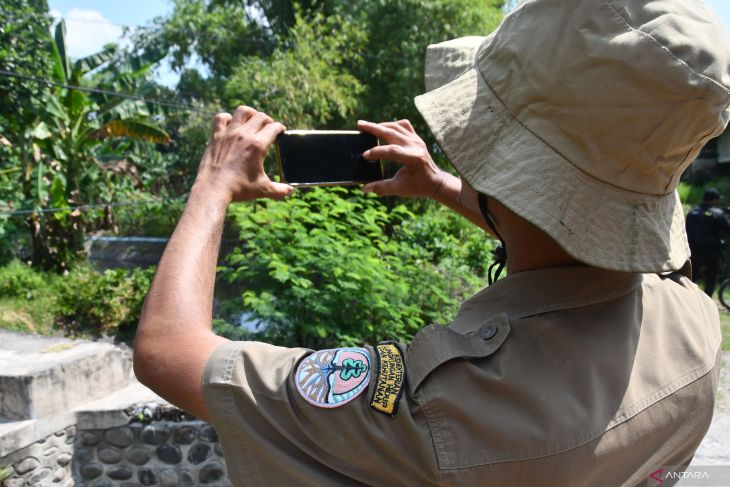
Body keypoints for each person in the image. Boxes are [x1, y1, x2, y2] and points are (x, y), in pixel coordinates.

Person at [133, 0, 729, 485]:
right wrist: (444, 187)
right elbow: (570, 246)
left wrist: (213, 185)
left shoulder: (440, 409)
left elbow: (168, 352)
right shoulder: (690, 319)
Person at [686, 188, 730, 296]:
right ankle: (707, 301)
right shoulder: (718, 213)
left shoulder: (692, 212)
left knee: (691, 276)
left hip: (693, 250)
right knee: (711, 277)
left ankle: (687, 298)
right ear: (715, 200)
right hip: (712, 251)